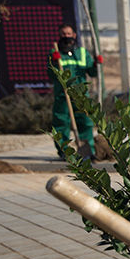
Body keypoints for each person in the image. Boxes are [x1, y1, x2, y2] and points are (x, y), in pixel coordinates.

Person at [48, 24, 102, 159]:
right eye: (63, 34)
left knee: (85, 122)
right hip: (63, 95)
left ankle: (86, 152)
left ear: (74, 35)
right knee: (61, 124)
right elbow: (50, 75)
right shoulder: (55, 53)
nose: (67, 37)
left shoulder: (82, 53)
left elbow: (92, 73)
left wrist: (96, 64)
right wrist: (54, 63)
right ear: (59, 36)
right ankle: (64, 152)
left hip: (81, 95)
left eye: (69, 34)